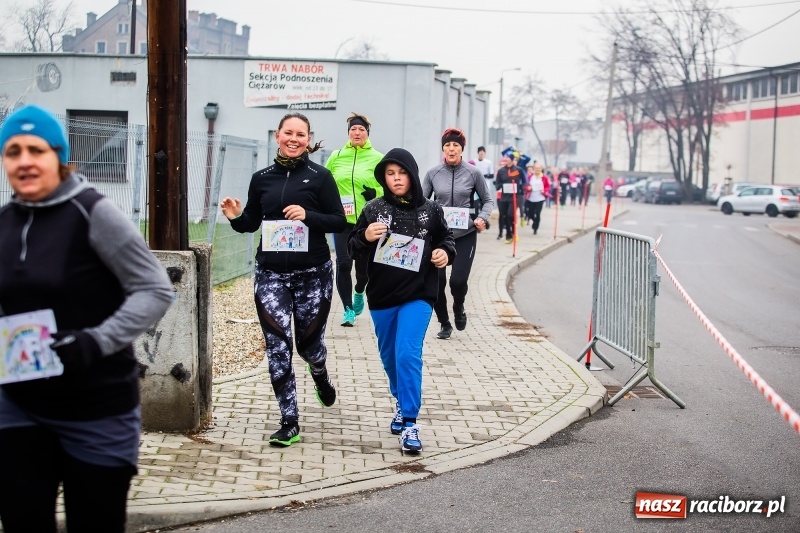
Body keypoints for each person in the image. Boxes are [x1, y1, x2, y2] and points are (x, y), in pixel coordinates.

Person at [0, 104, 173, 533]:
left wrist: (94, 341)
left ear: (59, 158)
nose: (24, 161)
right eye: (12, 151)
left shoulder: (94, 212)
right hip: (19, 404)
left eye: (36, 150)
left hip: (97, 409)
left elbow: (154, 289)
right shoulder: (4, 221)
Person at [220, 112, 346, 447]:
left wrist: (308, 216)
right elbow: (250, 221)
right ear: (278, 136)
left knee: (308, 346)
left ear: (308, 139)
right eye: (288, 133)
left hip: (313, 275)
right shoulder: (262, 178)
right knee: (278, 347)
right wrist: (235, 217)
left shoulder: (320, 177)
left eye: (300, 134)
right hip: (271, 274)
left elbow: (339, 221)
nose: (294, 139)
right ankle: (289, 420)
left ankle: (319, 371)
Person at [347, 148, 455, 454]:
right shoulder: (373, 209)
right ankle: (399, 400)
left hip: (418, 294)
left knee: (408, 353)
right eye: (390, 174)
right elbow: (352, 248)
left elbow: (446, 239)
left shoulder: (430, 211)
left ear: (412, 174)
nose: (396, 179)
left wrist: (444, 253)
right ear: (384, 177)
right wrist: (366, 236)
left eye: (402, 173)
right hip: (382, 296)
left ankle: (410, 422)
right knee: (390, 357)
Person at [422, 128, 493, 340]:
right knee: (438, 283)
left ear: (462, 148)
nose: (451, 149)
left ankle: (459, 306)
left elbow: (488, 201)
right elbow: (421, 202)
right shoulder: (433, 174)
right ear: (443, 148)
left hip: (465, 234)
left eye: (455, 145)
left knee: (457, 282)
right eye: (447, 145)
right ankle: (444, 323)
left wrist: (482, 218)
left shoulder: (473, 173)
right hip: (439, 236)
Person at [325, 112, 384, 327]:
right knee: (343, 263)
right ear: (348, 133)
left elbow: (386, 187)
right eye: (353, 129)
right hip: (341, 219)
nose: (356, 133)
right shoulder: (337, 156)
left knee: (363, 268)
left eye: (361, 130)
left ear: (367, 133)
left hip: (366, 221)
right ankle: (348, 309)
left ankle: (360, 290)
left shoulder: (377, 158)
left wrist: (374, 194)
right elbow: (325, 183)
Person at [495, 154, 526, 243]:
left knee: (510, 215)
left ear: (512, 160)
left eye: (508, 158)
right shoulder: (501, 171)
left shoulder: (518, 170)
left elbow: (524, 181)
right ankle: (508, 235)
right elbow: (497, 184)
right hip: (504, 197)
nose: (506, 160)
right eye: (505, 158)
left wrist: (522, 188)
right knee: (504, 216)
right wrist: (502, 186)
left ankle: (514, 233)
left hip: (514, 197)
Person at [525, 162, 549, 235]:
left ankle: (535, 228)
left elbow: (548, 187)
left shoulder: (544, 177)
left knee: (537, 213)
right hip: (531, 198)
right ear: (533, 169)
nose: (537, 170)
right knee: (530, 213)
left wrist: (544, 190)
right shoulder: (530, 177)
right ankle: (534, 221)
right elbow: (525, 185)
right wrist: (528, 188)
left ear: (541, 169)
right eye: (536, 168)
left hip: (540, 198)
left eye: (539, 168)